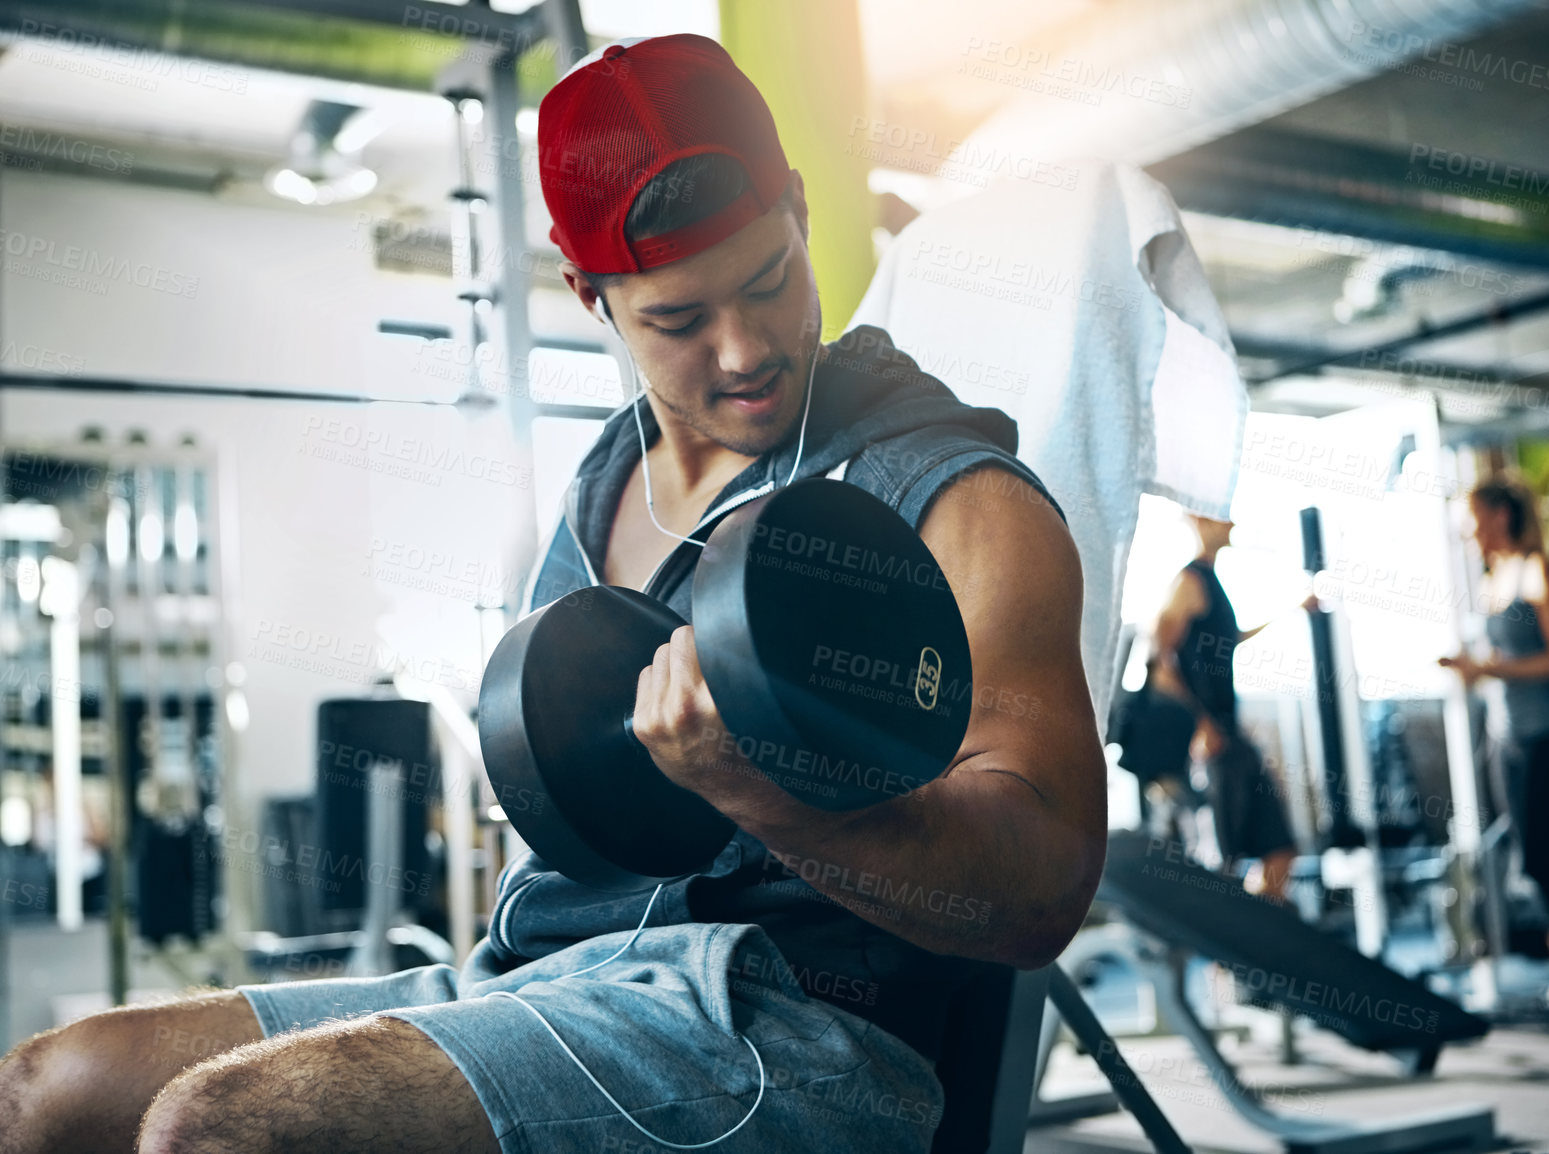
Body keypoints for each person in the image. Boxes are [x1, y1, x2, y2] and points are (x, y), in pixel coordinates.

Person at [0, 35, 1107, 1154]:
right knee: (54, 1087)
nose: (743, 350)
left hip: (777, 1020)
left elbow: (1039, 889)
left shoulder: (952, 497)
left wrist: (753, 786)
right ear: (590, 297)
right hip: (538, 971)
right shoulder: (601, 485)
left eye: (769, 280)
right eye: (677, 321)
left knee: (220, 1127)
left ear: (802, 212)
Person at [1439, 473, 1549, 1017]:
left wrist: (1488, 666)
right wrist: (1473, 670)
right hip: (1507, 738)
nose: (1469, 534)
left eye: (1474, 522)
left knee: (1538, 859)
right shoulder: (1493, 580)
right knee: (1530, 859)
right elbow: (1498, 666)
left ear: (1501, 517)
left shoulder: (1538, 571)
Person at [1112, 512, 1300, 901]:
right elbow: (1157, 660)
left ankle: (1250, 949)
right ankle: (1225, 958)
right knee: (1221, 866)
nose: (1230, 525)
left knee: (1280, 852)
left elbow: (1231, 638)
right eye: (1220, 519)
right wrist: (1200, 725)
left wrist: (1295, 607)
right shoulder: (1188, 582)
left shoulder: (1213, 585)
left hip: (1228, 733)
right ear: (1195, 520)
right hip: (1206, 743)